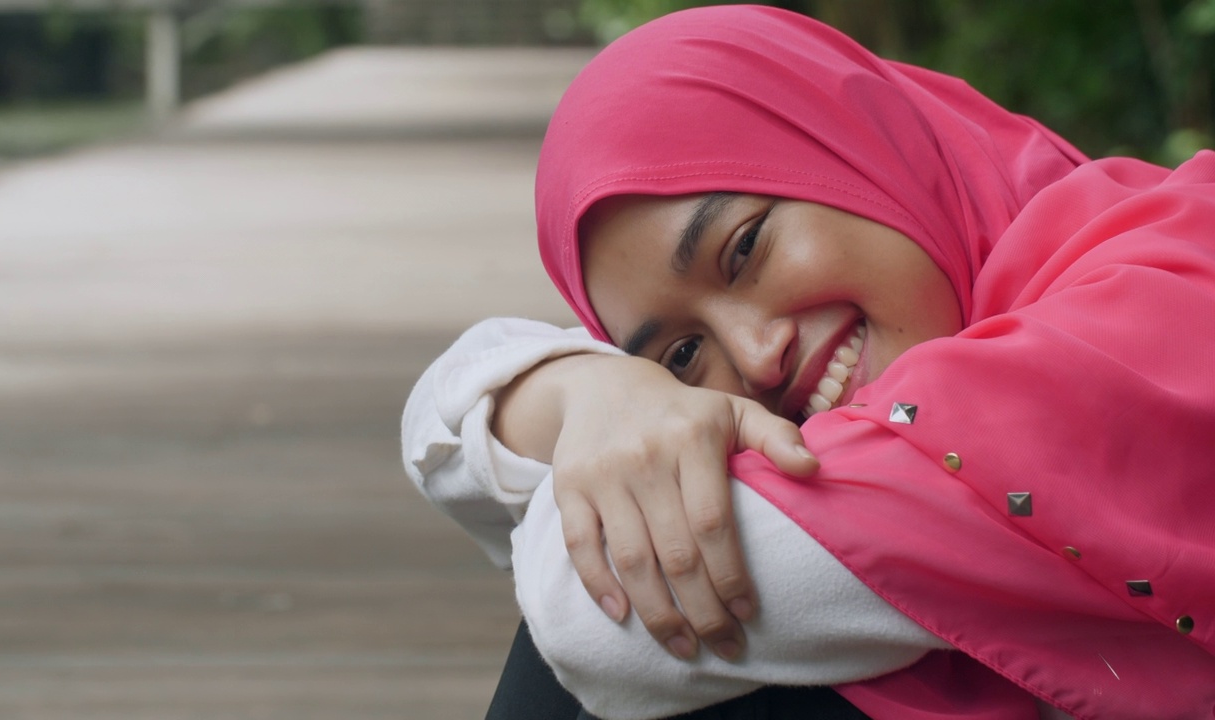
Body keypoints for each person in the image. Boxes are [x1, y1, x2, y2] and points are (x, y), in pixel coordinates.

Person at [402, 6, 1215, 719]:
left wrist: (557, 415)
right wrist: (591, 391)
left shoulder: (1167, 295)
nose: (758, 359)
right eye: (681, 356)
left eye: (746, 248)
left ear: (859, 152)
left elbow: (595, 620)